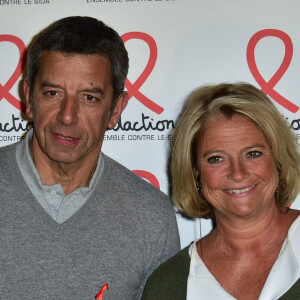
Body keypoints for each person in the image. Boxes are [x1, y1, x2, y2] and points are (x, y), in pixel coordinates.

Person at [0, 16, 180, 299]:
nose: (67, 116)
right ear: (28, 98)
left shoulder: (151, 218)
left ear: (116, 109)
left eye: (89, 98)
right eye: (53, 93)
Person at [142, 83, 300, 300]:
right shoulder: (170, 285)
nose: (237, 173)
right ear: (195, 172)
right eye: (216, 159)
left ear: (277, 158)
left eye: (253, 154)